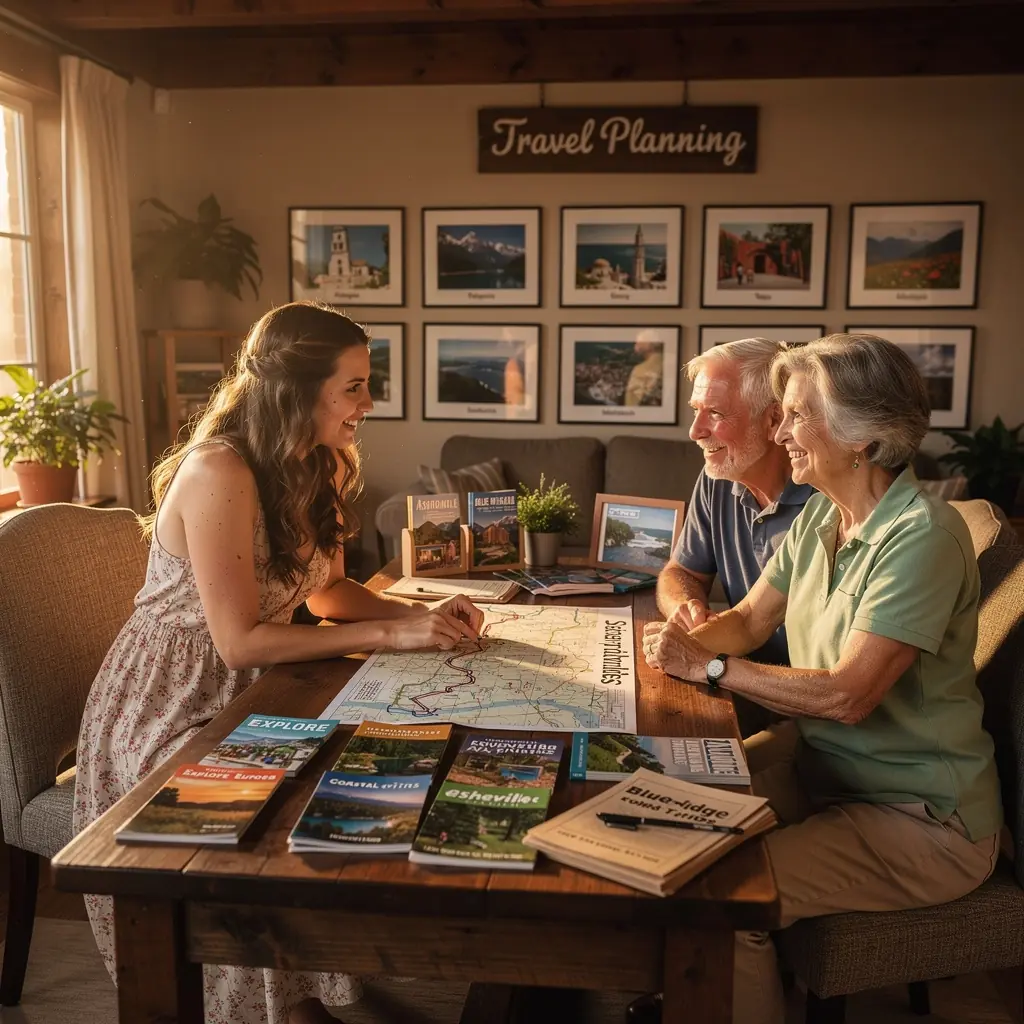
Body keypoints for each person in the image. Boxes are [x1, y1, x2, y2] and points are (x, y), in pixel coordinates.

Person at [73, 302, 485, 1024]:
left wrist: (419, 617)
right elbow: (238, 642)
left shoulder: (321, 460)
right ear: (297, 390)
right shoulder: (219, 470)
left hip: (261, 684)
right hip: (169, 703)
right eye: (353, 387)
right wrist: (394, 639)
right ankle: (278, 1004)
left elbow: (325, 593)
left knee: (382, 761)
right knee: (292, 802)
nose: (369, 402)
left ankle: (302, 984)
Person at [642, 333, 1002, 1024]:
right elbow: (748, 620)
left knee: (722, 894)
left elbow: (847, 694)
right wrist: (666, 646)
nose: (781, 433)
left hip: (923, 818)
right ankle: (685, 988)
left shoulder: (921, 537)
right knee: (665, 804)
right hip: (828, 772)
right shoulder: (821, 516)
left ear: (861, 436)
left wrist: (708, 667)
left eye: (797, 415)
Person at [657, 338, 814, 734]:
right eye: (696, 410)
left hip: (802, 707)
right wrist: (687, 608)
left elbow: (841, 691)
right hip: (739, 682)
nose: (695, 431)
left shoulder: (827, 503)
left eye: (715, 413)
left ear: (774, 419)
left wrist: (702, 656)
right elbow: (680, 572)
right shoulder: (718, 476)